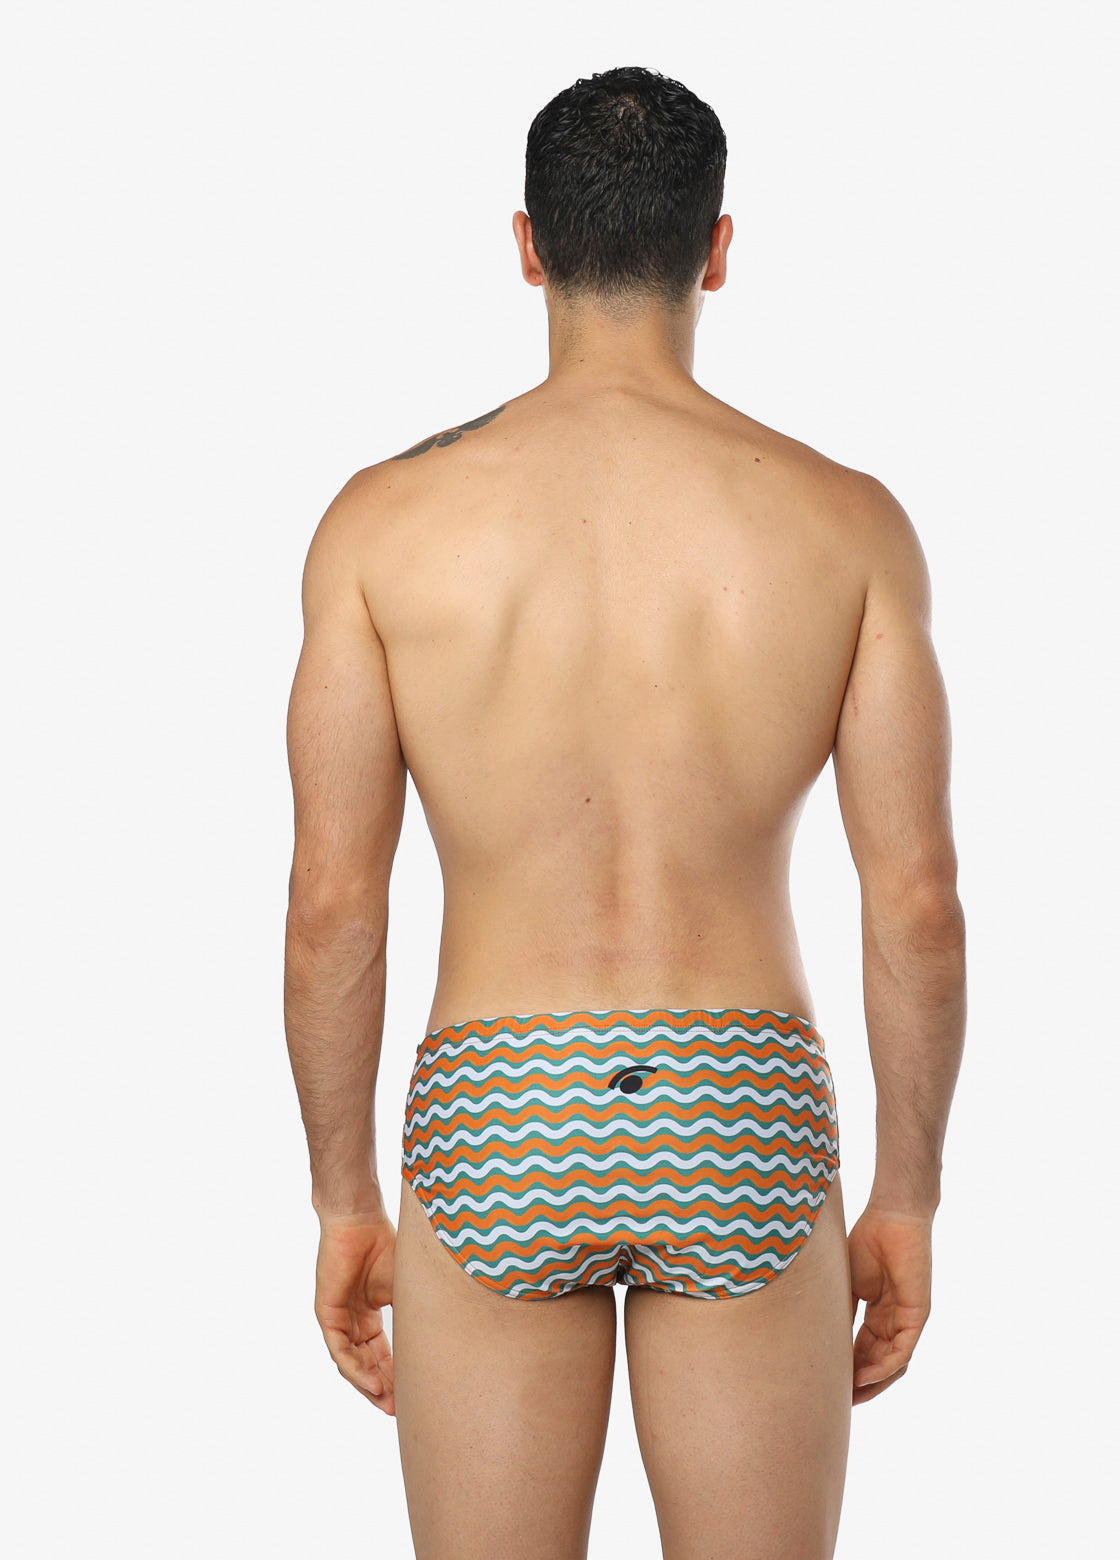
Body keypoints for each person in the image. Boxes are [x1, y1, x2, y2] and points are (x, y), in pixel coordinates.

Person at [284, 63, 966, 1559]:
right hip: (741, 1100)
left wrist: (343, 1197)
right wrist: (908, 1196)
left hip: (499, 1101)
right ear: (717, 249)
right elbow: (915, 899)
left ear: (527, 245)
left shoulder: (381, 526)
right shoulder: (847, 524)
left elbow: (335, 902)